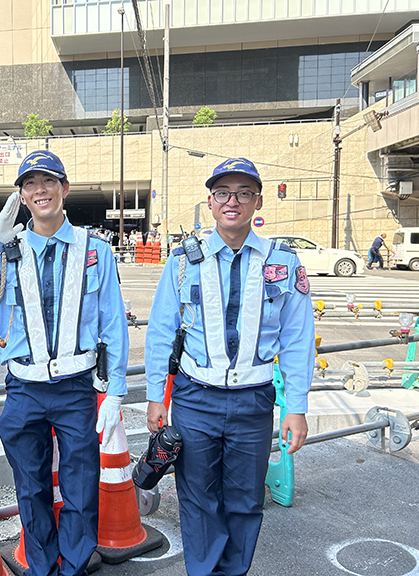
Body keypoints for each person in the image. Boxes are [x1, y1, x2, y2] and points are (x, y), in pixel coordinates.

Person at [0, 150, 129, 576]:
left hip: (76, 387)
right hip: (24, 388)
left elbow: (114, 325)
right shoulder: (6, 251)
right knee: (31, 488)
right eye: (29, 184)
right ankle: (42, 567)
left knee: (81, 487)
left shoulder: (94, 250)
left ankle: (74, 566)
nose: (39, 190)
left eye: (48, 182)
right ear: (21, 196)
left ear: (64, 188)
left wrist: (116, 391)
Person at [145, 157, 314, 576]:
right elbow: (161, 331)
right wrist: (153, 395)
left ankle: (233, 572)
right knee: (198, 497)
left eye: (242, 193)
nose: (232, 201)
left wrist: (296, 405)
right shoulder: (184, 260)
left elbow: (297, 338)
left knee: (244, 500)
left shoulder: (284, 262)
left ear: (258, 201)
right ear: (210, 202)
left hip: (254, 401)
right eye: (223, 193)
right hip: (195, 398)